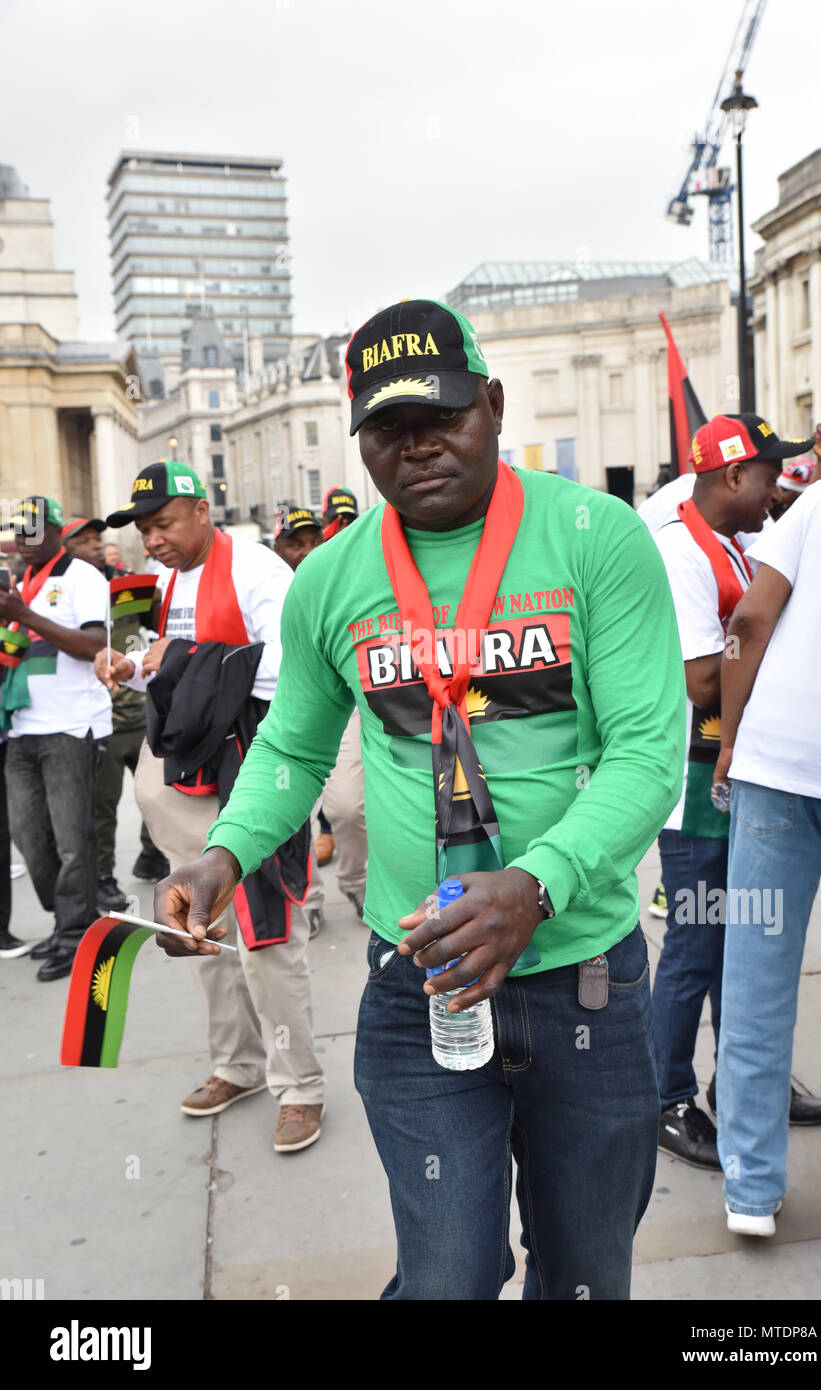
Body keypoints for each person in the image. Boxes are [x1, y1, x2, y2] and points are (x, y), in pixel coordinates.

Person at [152, 296, 687, 1301]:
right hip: (419, 985)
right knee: (446, 1274)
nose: (420, 445)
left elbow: (648, 754)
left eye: (443, 416)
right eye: (389, 428)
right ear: (361, 442)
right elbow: (293, 746)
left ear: (491, 403)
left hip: (584, 985)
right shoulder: (331, 582)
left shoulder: (595, 538)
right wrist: (223, 851)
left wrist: (536, 883)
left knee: (585, 1274)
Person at [97, 461, 326, 1153]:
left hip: (246, 771)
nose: (153, 540)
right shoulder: (150, 582)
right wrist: (125, 664)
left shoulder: (259, 571)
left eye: (163, 524)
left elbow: (291, 668)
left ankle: (301, 1087)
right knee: (193, 927)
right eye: (143, 529)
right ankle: (239, 1064)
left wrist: (180, 656)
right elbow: (141, 654)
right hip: (179, 778)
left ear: (201, 510)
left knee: (266, 934)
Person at [651, 415, 821, 1170]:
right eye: (768, 475)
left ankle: (742, 1084)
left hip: (734, 772)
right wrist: (761, 640)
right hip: (694, 781)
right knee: (696, 943)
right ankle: (662, 1099)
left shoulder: (737, 537)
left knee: (743, 939)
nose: (776, 488)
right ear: (732, 476)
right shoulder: (678, 550)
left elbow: (811, 539)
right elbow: (700, 680)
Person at [713, 458, 821, 1246]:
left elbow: (748, 622)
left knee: (754, 977)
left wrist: (729, 736)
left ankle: (748, 1185)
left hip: (779, 762)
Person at [0, 496, 111, 980]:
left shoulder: (81, 576)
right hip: (22, 724)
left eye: (33, 531)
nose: (25, 542)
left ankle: (76, 933)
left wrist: (24, 616)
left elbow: (96, 646)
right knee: (29, 838)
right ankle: (66, 918)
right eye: (17, 532)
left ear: (56, 530)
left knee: (72, 841)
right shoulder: (21, 580)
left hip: (69, 724)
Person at [61, 517, 169, 911]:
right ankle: (104, 875)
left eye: (97, 539)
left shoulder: (121, 587)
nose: (94, 546)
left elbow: (147, 633)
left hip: (140, 711)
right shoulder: (61, 597)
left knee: (157, 796)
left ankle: (152, 853)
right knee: (102, 806)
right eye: (83, 541)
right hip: (98, 718)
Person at [273, 504, 368, 928]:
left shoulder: (338, 578)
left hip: (339, 708)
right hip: (275, 714)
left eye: (313, 540)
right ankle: (306, 901)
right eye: (295, 543)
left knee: (347, 807)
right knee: (289, 816)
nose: (306, 550)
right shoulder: (266, 584)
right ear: (277, 547)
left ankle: (356, 882)